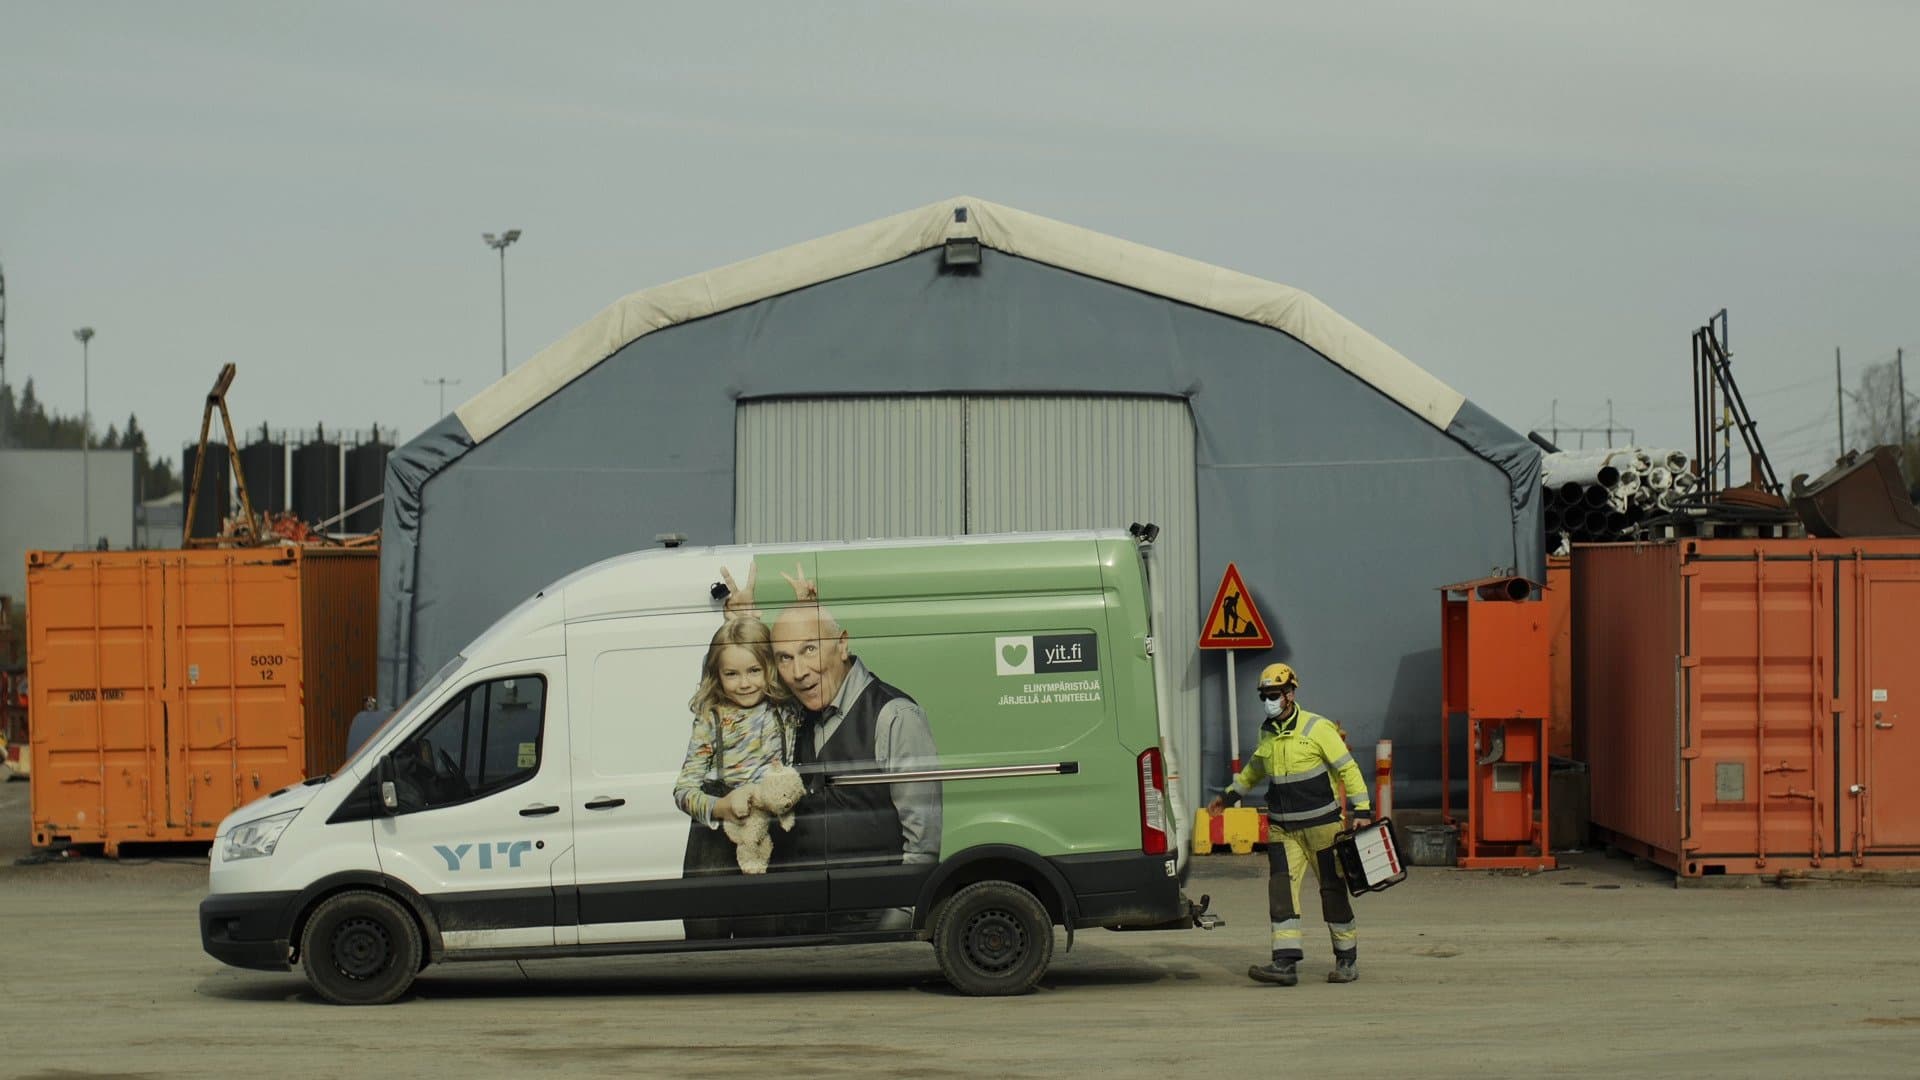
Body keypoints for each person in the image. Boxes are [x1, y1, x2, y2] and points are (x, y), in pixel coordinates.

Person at [1207, 662, 1373, 986]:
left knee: (1332, 890)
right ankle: (1284, 963)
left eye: (1274, 695)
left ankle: (1346, 959)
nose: (1269, 701)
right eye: (1265, 696)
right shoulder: (1267, 732)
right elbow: (1255, 768)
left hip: (1323, 828)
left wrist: (1363, 809)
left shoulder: (1317, 728)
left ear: (1290, 694)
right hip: (1283, 830)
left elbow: (1348, 768)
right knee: (1281, 891)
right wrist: (1228, 797)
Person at [768, 564, 941, 873]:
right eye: (785, 657)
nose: (798, 672)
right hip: (810, 898)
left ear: (842, 645)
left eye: (810, 649)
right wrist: (739, 619)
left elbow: (922, 846)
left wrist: (900, 902)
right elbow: (736, 683)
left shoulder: (894, 716)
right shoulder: (796, 715)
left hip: (875, 899)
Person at [671, 614, 800, 938]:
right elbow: (683, 791)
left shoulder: (786, 711)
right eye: (732, 674)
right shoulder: (711, 719)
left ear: (769, 667)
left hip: (768, 834)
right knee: (707, 924)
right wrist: (721, 807)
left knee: (766, 927)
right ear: (716, 674)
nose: (744, 683)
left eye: (754, 670)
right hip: (715, 841)